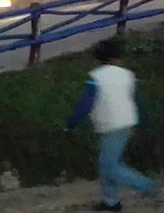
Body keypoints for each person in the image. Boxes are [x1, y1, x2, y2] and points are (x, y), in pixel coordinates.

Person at [65, 37, 157, 212]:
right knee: (107, 163)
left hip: (110, 124)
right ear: (118, 57)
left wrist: (71, 124)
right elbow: (137, 100)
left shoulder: (95, 77)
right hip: (126, 121)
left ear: (98, 57)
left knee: (108, 165)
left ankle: (146, 186)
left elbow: (86, 103)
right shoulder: (128, 75)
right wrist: (144, 122)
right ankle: (111, 201)